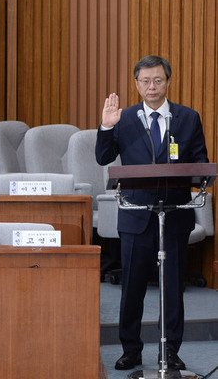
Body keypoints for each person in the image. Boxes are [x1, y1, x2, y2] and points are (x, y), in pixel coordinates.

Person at [96, 55, 208, 371]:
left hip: (173, 216)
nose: (152, 87)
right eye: (145, 81)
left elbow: (200, 161)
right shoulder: (125, 118)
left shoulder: (188, 118)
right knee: (131, 287)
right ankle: (130, 350)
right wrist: (106, 126)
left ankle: (170, 351)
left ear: (167, 81)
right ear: (136, 84)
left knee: (172, 287)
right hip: (135, 214)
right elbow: (103, 156)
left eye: (158, 80)